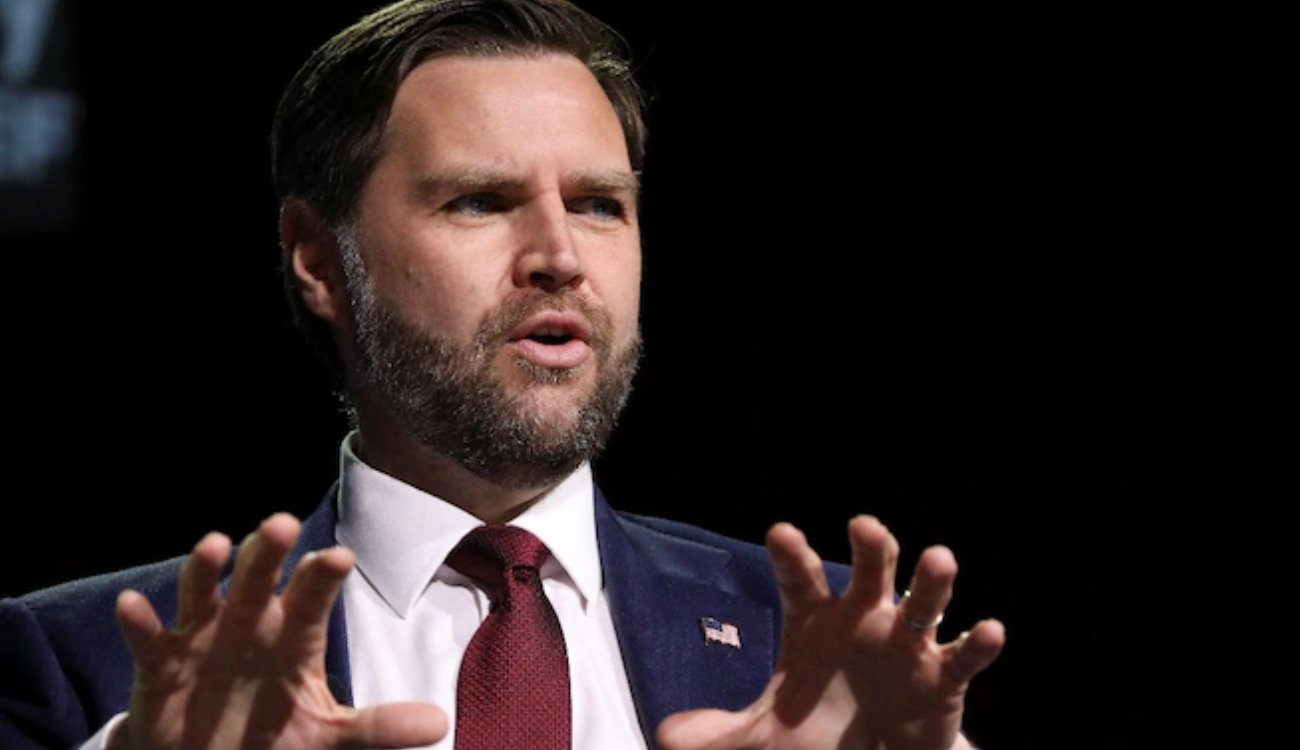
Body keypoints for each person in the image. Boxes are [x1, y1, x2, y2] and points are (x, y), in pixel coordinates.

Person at [0, 1, 1005, 748]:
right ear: (318, 260)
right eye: (480, 201)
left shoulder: (820, 644)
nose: (560, 256)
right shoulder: (83, 664)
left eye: (600, 205)